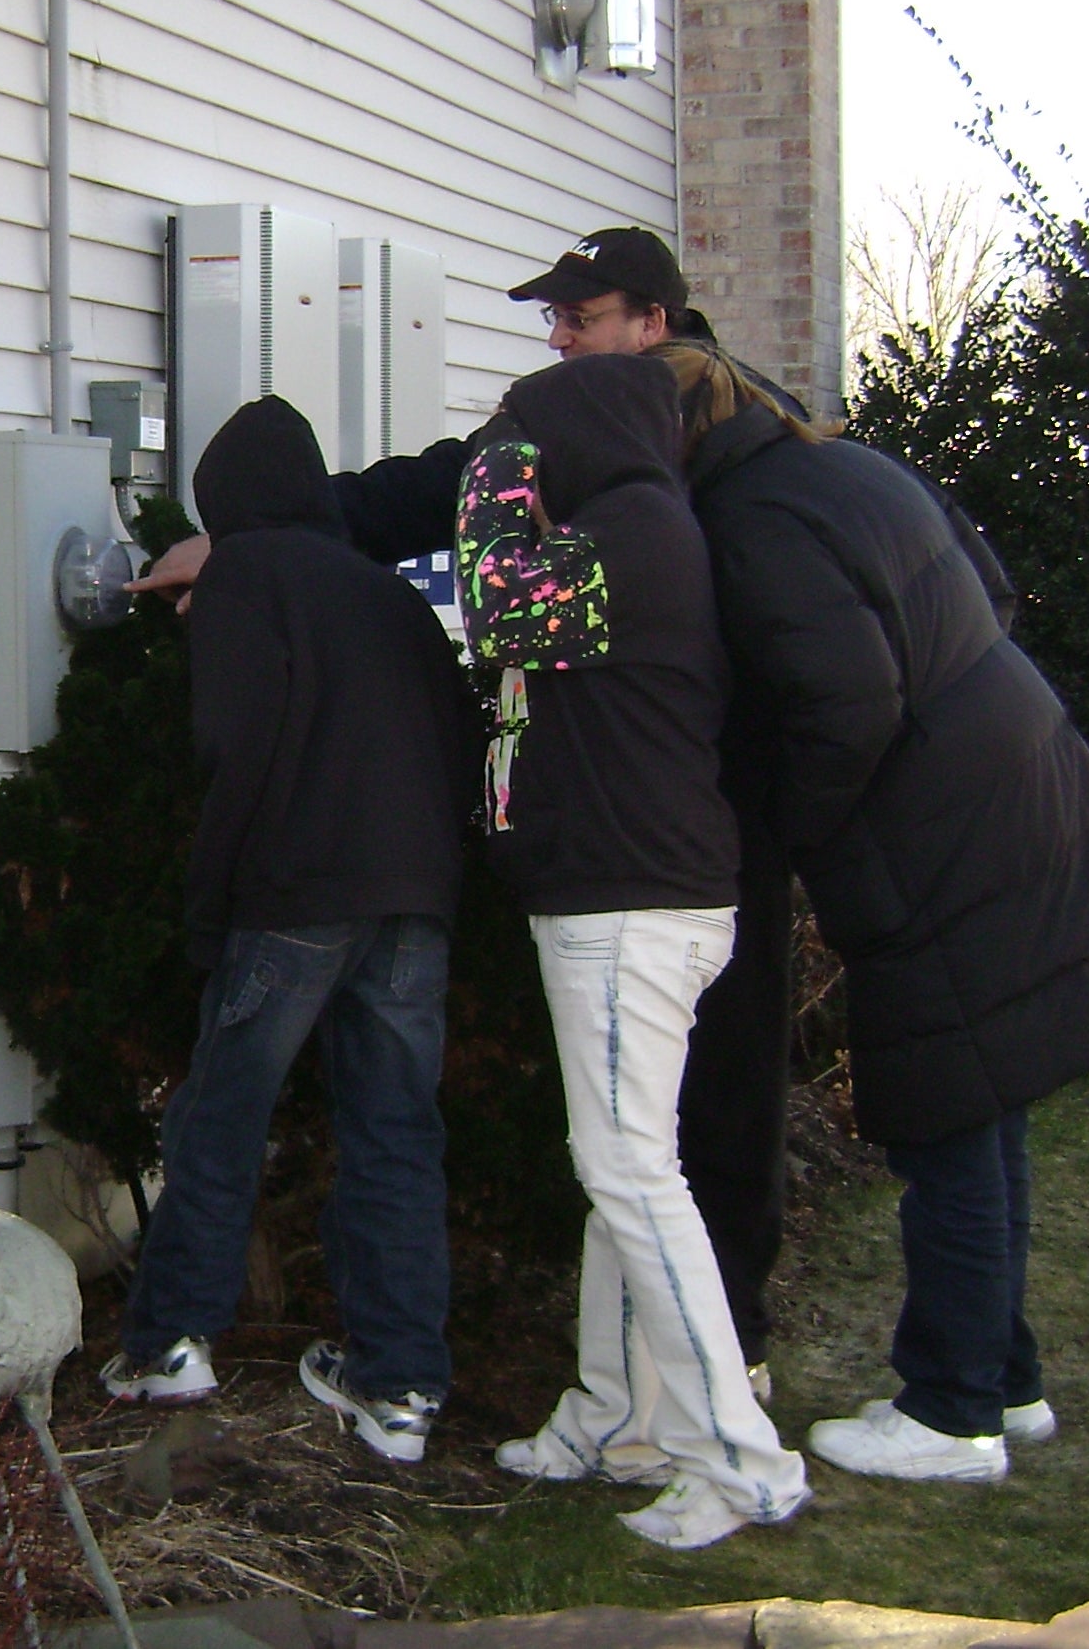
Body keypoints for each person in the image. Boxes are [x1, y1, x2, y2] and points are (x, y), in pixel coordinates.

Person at [128, 227, 804, 1401]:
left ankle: (723, 1395)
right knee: (545, 1147)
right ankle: (449, 1386)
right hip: (525, 864)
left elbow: (502, 615)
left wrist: (254, 553)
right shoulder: (585, 469)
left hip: (667, 840)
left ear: (653, 324)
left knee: (673, 1140)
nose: (555, 336)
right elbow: (424, 525)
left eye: (577, 317)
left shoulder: (714, 466)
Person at [665, 346, 1089, 1484]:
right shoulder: (848, 467)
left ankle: (951, 1409)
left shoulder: (749, 519)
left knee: (948, 1119)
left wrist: (789, 831)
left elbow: (847, 703)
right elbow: (991, 587)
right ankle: (1005, 1383)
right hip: (1017, 780)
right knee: (988, 1104)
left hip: (933, 834)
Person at [458, 352, 810, 1550]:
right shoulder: (635, 526)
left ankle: (740, 1461)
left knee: (630, 1174)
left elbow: (496, 609)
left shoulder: (634, 535)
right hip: (630, 896)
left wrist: (494, 463)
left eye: (536, 444)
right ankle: (615, 1422)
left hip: (629, 907)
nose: (523, 467)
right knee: (620, 1163)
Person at [97, 397, 478, 1466]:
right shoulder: (389, 595)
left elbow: (233, 753)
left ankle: (170, 1344)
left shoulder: (247, 580)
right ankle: (397, 1389)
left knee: (219, 1118)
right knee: (396, 1133)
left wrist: (212, 910)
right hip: (415, 897)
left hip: (293, 896)